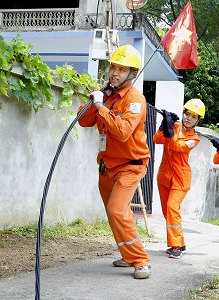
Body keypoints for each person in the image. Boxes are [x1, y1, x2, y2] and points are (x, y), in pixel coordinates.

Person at [77, 45, 151, 279]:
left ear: (132, 74)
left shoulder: (135, 100)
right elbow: (82, 121)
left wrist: (101, 107)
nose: (114, 73)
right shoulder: (107, 96)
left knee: (116, 210)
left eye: (121, 69)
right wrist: (96, 100)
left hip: (131, 165)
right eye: (113, 67)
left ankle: (140, 260)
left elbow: (123, 132)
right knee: (114, 213)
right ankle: (128, 255)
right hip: (106, 165)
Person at [154, 99, 205, 259]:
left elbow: (177, 147)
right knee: (167, 211)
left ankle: (176, 246)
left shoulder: (194, 139)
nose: (188, 118)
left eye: (193, 117)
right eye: (187, 114)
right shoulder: (174, 126)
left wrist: (169, 129)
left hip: (180, 179)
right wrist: (164, 124)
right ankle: (181, 242)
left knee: (172, 208)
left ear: (198, 121)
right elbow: (157, 139)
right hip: (164, 175)